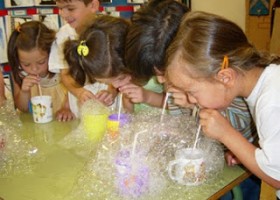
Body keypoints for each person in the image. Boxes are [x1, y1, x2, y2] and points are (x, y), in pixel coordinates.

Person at [126, 1, 260, 199]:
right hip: (212, 160)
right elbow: (187, 119)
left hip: (243, 168)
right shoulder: (184, 80)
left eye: (164, 74)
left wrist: (195, 104)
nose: (163, 81)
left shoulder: (226, 72)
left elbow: (246, 122)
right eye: (158, 76)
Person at [165, 11, 280, 198]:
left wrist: (228, 135)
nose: (191, 100)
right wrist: (245, 151)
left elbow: (277, 177)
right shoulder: (267, 83)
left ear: (225, 77)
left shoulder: (271, 101)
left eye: (192, 92)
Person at [49, 0, 113, 117]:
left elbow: (119, 73)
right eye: (60, 8)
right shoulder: (63, 35)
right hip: (80, 113)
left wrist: (111, 91)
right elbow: (65, 74)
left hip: (110, 111)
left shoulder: (110, 31)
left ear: (93, 5)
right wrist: (79, 92)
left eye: (70, 9)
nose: (63, 14)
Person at [7, 21, 74, 122]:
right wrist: (24, 91)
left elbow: (76, 89)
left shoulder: (62, 66)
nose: (34, 69)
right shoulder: (21, 73)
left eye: (41, 62)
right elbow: (22, 108)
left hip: (65, 121)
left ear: (52, 52)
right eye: (26, 64)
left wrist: (67, 107)